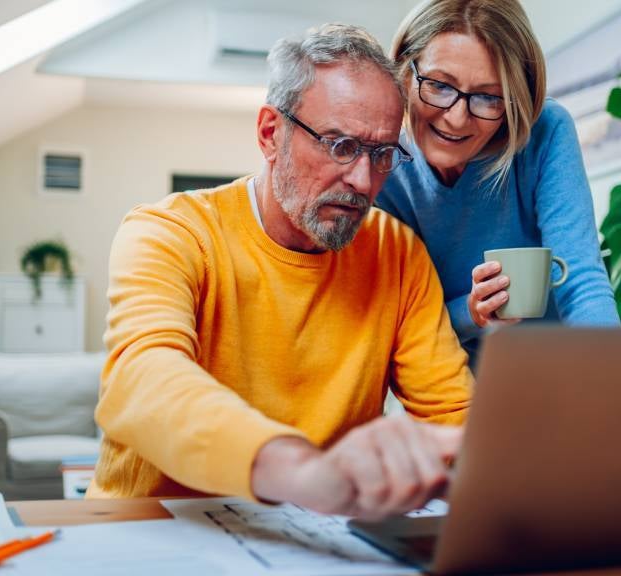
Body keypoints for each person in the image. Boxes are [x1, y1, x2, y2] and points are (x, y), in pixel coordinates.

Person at [90, 24, 473, 521]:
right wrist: (305, 473)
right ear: (271, 133)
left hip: (316, 540)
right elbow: (143, 381)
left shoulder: (397, 253)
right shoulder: (171, 232)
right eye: (340, 146)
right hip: (152, 532)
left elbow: (455, 418)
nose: (362, 180)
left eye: (381, 154)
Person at [377, 0, 620, 364]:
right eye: (440, 85)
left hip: (562, 371)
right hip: (454, 389)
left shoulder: (545, 132)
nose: (457, 119)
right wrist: (470, 312)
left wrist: (619, 377)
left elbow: (582, 283)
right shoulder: (380, 163)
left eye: (489, 97)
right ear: (404, 72)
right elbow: (399, 326)